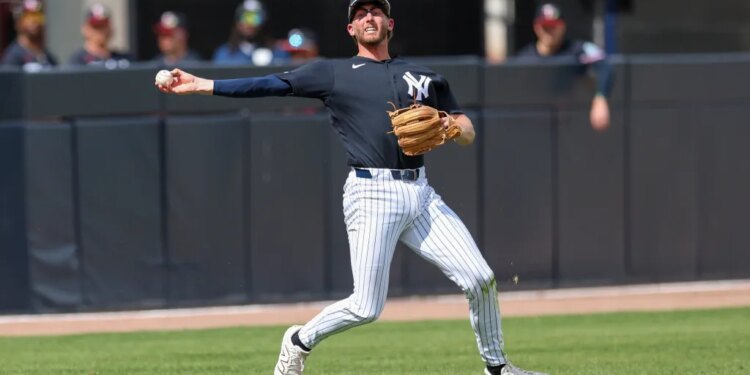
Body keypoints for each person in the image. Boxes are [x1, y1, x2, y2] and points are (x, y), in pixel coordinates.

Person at [156, 1, 547, 374]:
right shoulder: (333, 73)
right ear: (351, 29)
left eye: (377, 11)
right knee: (365, 306)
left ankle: (497, 367)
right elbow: (267, 84)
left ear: (390, 24)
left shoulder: (425, 77)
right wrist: (199, 84)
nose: (369, 16)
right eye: (361, 14)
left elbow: (467, 129)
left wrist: (450, 127)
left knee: (481, 278)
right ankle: (298, 340)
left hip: (422, 193)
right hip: (371, 190)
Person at [517, 2, 614, 132]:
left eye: (553, 26)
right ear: (536, 27)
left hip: (572, 125)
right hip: (535, 127)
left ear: (562, 26)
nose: (549, 32)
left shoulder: (577, 50)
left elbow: (604, 64)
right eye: (545, 26)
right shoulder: (524, 59)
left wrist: (600, 98)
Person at [212, 0, 283, 66]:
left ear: (263, 22)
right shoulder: (224, 53)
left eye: (256, 18)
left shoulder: (276, 51)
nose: (250, 23)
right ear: (237, 22)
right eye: (246, 17)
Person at [69, 3, 131, 69]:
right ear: (85, 29)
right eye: (96, 27)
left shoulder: (124, 59)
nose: (101, 31)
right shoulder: (78, 62)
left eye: (104, 26)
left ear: (111, 29)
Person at [1, 0, 57, 71]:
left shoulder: (48, 57)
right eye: (28, 17)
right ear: (18, 22)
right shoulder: (12, 58)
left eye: (38, 16)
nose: (34, 21)